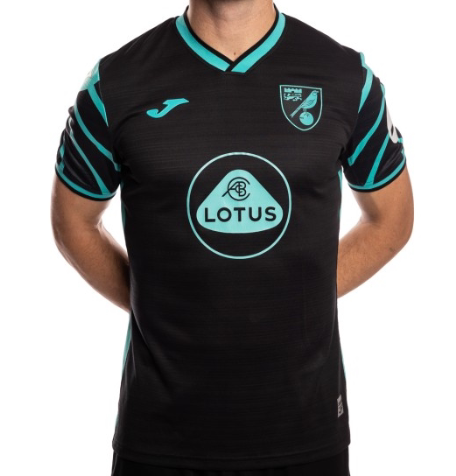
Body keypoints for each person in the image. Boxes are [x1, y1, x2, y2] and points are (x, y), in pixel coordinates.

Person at [50, 0, 414, 475]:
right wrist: (156, 301)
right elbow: (73, 224)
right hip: (159, 433)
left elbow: (392, 219)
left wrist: (300, 295)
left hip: (305, 429)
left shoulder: (346, 78)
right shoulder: (114, 85)